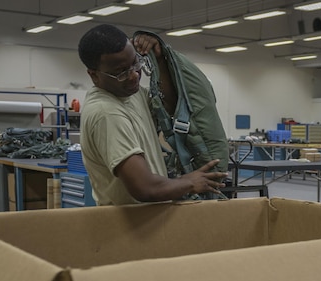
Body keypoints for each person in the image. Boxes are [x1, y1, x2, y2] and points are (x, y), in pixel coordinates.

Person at [77, 24, 227, 205]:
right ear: (93, 75)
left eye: (135, 63)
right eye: (121, 72)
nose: (133, 76)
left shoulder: (132, 95)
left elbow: (169, 104)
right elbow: (145, 188)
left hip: (149, 222)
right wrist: (189, 182)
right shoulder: (106, 113)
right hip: (130, 228)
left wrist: (160, 60)